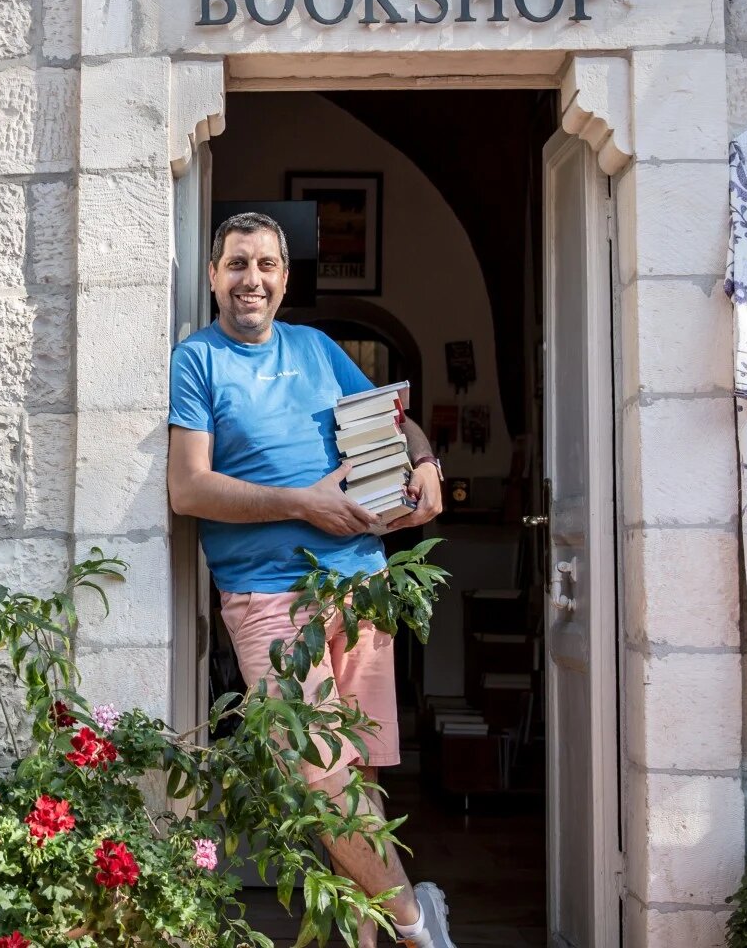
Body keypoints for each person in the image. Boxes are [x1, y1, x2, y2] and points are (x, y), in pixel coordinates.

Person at [166, 211, 454, 948]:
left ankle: (368, 938)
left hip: (359, 584)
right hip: (266, 596)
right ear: (212, 275)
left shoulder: (319, 349)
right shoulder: (197, 360)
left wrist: (425, 465)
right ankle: (420, 930)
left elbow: (397, 420)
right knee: (320, 780)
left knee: (357, 778)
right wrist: (304, 504)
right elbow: (189, 490)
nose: (250, 280)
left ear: (285, 279)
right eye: (236, 264)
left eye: (265, 265)